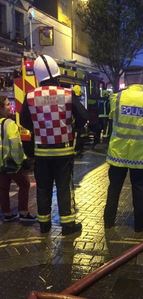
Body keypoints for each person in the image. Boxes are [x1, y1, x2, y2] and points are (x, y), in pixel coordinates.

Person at [20, 55, 88, 235]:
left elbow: (25, 121)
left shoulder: (30, 96)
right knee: (64, 187)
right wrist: (72, 126)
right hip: (63, 151)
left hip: (41, 151)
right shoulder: (66, 94)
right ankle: (68, 226)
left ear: (38, 76)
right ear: (56, 75)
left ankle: (44, 225)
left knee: (43, 188)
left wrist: (39, 129)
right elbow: (83, 116)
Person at [104, 81, 143, 232]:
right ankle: (140, 224)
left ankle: (108, 221)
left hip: (118, 152)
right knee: (139, 189)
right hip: (140, 154)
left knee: (114, 188)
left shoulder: (118, 97)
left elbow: (111, 117)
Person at [0, 96, 35, 222]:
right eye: (8, 104)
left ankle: (7, 213)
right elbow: (16, 146)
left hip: (1, 164)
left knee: (3, 188)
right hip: (11, 162)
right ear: (1, 108)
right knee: (25, 184)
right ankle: (23, 212)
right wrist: (21, 161)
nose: (11, 107)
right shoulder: (10, 124)